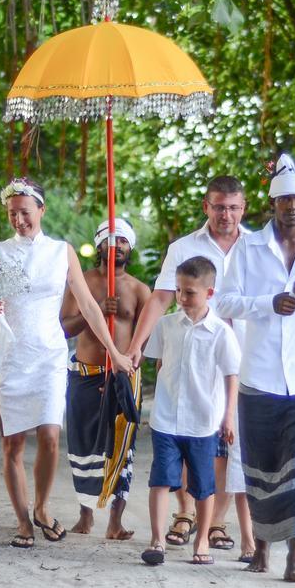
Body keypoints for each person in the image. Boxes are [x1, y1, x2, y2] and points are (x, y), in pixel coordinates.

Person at [0, 177, 132, 548]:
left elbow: (90, 307)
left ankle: (42, 508)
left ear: (41, 211)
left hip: (49, 355)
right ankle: (22, 522)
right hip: (12, 357)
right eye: (12, 213)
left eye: (25, 212)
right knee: (12, 444)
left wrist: (114, 351)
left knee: (50, 436)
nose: (18, 220)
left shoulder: (62, 252)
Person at [216, 156, 295, 582]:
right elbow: (226, 303)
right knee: (262, 465)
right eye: (285, 199)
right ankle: (262, 548)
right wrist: (267, 303)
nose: (293, 206)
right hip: (259, 374)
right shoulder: (249, 248)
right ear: (273, 203)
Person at [127, 175, 255, 560]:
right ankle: (184, 515)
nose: (226, 215)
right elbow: (160, 298)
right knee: (187, 430)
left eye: (233, 207)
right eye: (218, 207)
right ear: (206, 206)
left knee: (230, 444)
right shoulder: (183, 247)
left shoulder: (258, 247)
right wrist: (135, 346)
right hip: (191, 350)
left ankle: (217, 521)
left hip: (241, 356)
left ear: (243, 208)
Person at [140, 256, 241, 566]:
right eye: (180, 291)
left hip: (202, 421)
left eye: (190, 293)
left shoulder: (221, 333)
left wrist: (228, 417)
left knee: (203, 484)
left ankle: (201, 542)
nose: (183, 298)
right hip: (166, 418)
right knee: (160, 479)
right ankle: (157, 541)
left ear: (209, 293)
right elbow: (158, 363)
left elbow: (231, 376)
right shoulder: (166, 325)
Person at [59, 217, 150, 540]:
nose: (117, 246)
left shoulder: (140, 290)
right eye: (111, 241)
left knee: (122, 449)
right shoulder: (80, 282)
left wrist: (127, 362)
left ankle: (116, 520)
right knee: (84, 446)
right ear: (99, 246)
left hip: (122, 377)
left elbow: (145, 339)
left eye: (123, 241)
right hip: (85, 373)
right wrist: (94, 309)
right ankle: (85, 514)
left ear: (130, 247)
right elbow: (65, 328)